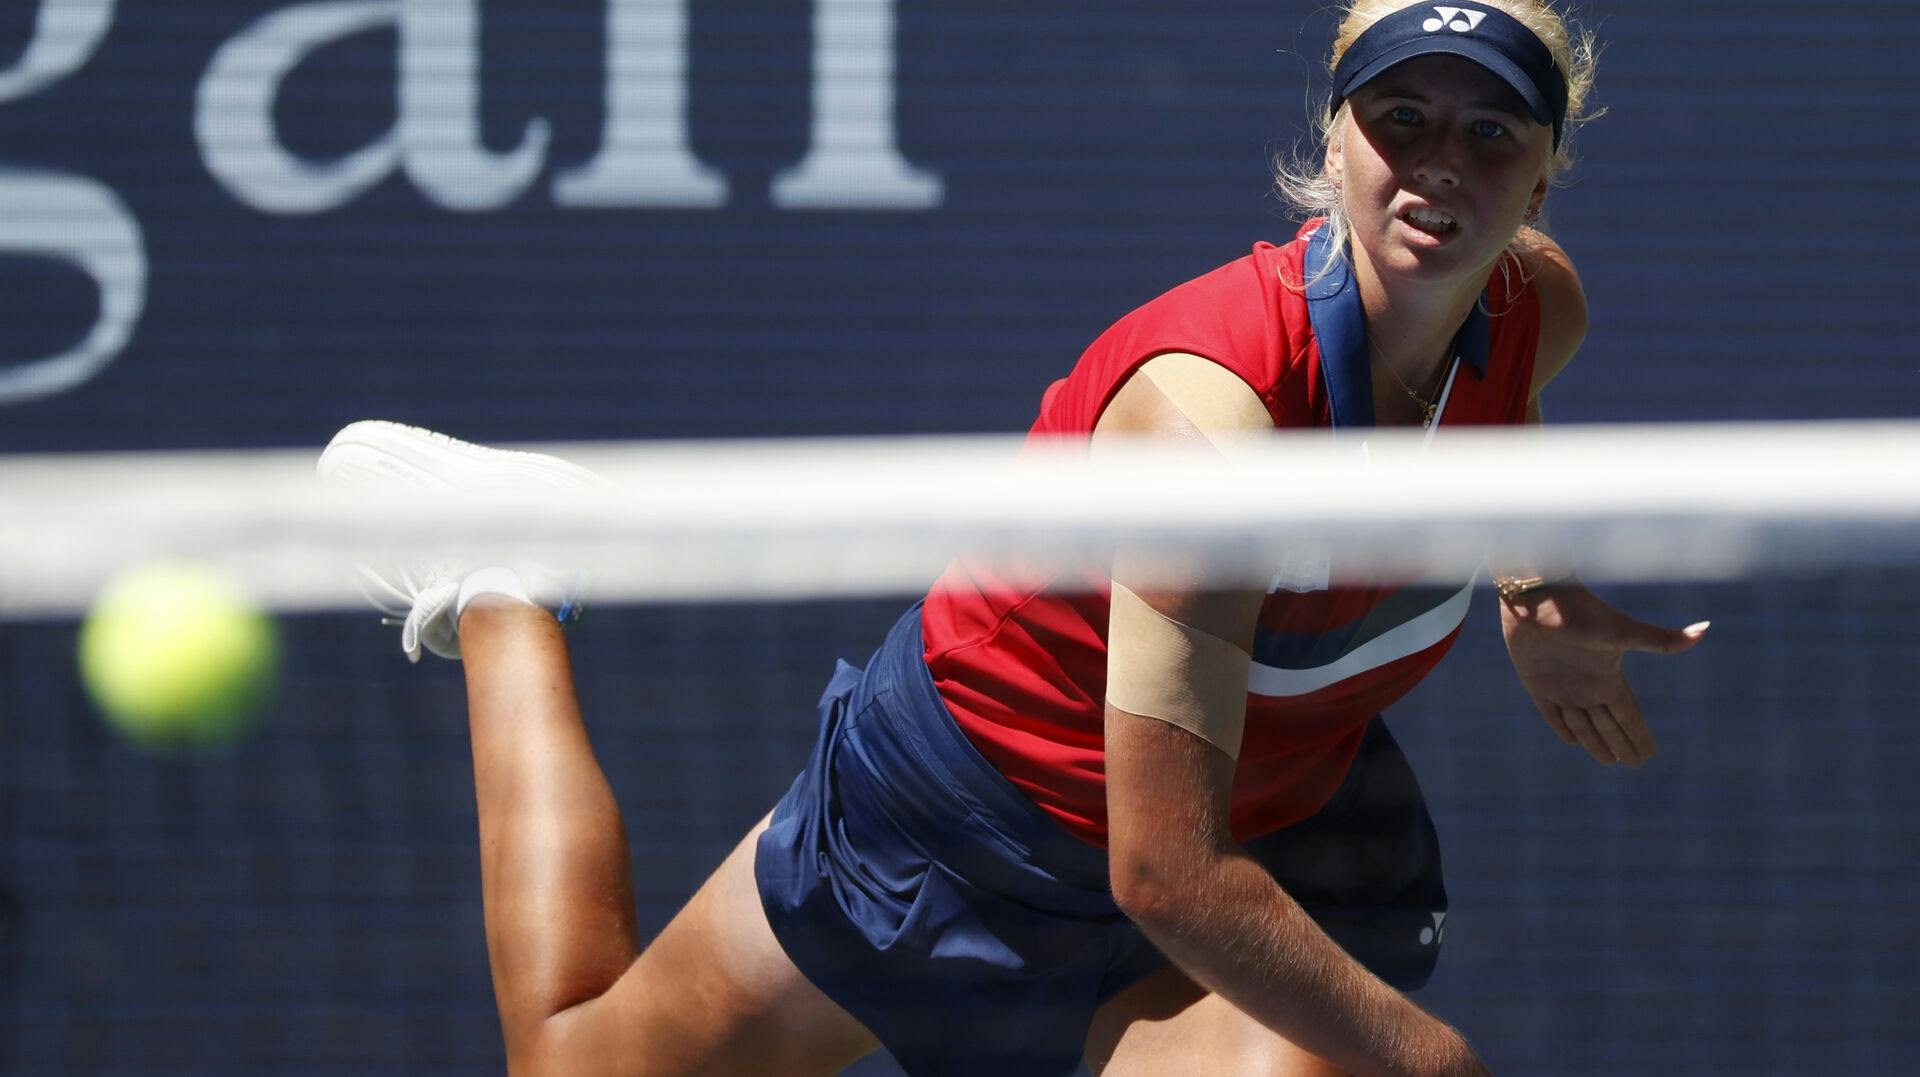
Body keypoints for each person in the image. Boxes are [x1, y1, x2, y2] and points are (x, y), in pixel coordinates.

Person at [318, 2, 1708, 1073]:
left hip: (1247, 830)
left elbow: (1496, 421)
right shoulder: (1209, 430)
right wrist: (1432, 1056)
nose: (1438, 167)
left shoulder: (1536, 312)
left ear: (1542, 177)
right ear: (1333, 143)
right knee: (567, 1060)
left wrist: (1536, 581)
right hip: (963, 823)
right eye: (1400, 118)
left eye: (1488, 134)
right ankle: (506, 574)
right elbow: (1159, 870)